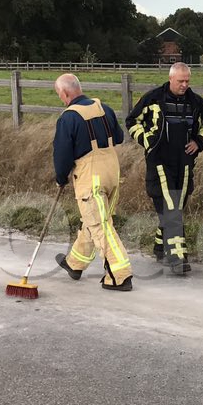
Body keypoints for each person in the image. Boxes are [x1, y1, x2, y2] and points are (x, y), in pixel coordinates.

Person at [126, 62, 203, 275]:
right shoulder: (153, 98)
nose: (184, 85)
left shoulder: (196, 102)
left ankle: (160, 246)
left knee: (177, 206)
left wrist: (199, 142)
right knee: (171, 208)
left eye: (187, 81)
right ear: (171, 79)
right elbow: (132, 121)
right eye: (180, 81)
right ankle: (178, 259)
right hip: (159, 162)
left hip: (185, 164)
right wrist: (148, 140)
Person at [51, 73, 134, 291]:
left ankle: (120, 275)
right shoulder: (103, 107)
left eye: (59, 94)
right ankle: (74, 264)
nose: (61, 98)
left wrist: (61, 178)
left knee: (100, 225)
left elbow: (62, 154)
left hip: (90, 176)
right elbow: (118, 137)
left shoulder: (67, 118)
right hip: (112, 171)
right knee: (95, 220)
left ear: (65, 93)